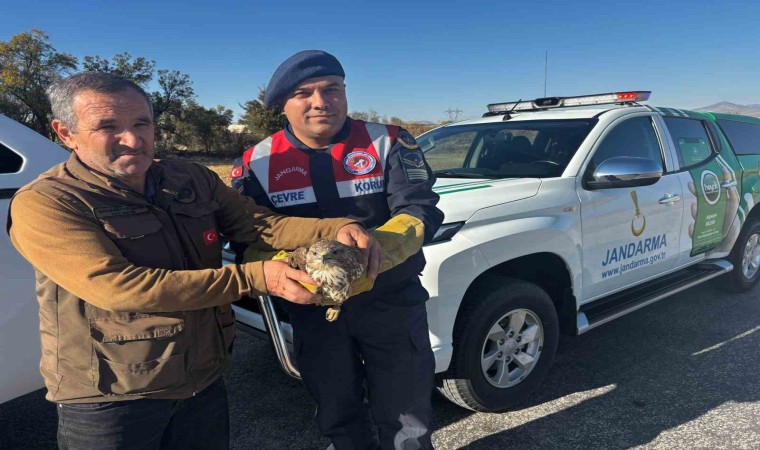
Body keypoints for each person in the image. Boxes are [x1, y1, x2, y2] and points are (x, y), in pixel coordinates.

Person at [7, 71, 382, 450]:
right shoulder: (48, 202)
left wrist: (338, 227)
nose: (133, 140)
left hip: (202, 379)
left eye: (142, 123)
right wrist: (256, 277)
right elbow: (118, 287)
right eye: (108, 126)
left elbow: (259, 225)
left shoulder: (189, 179)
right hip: (113, 397)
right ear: (65, 132)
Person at [231, 50, 444, 450]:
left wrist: (374, 251)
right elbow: (248, 238)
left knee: (407, 409)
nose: (320, 102)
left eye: (332, 90)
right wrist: (288, 270)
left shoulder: (390, 141)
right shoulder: (256, 161)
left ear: (345, 93)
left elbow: (420, 210)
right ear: (282, 105)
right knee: (335, 405)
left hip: (390, 300)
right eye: (303, 93)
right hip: (313, 310)